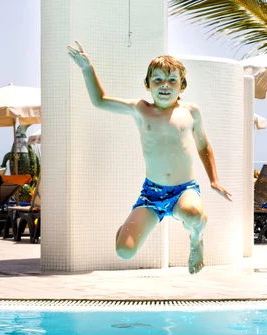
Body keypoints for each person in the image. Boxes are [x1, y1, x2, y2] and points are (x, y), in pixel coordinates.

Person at [67, 41, 232, 274]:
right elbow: (100, 101)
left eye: (172, 80)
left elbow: (204, 145)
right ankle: (125, 231)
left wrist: (213, 180)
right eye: (158, 80)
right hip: (151, 194)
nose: (165, 85)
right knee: (124, 252)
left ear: (182, 85)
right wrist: (87, 68)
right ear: (148, 84)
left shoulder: (190, 112)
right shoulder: (140, 109)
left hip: (184, 190)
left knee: (194, 215)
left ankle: (196, 240)